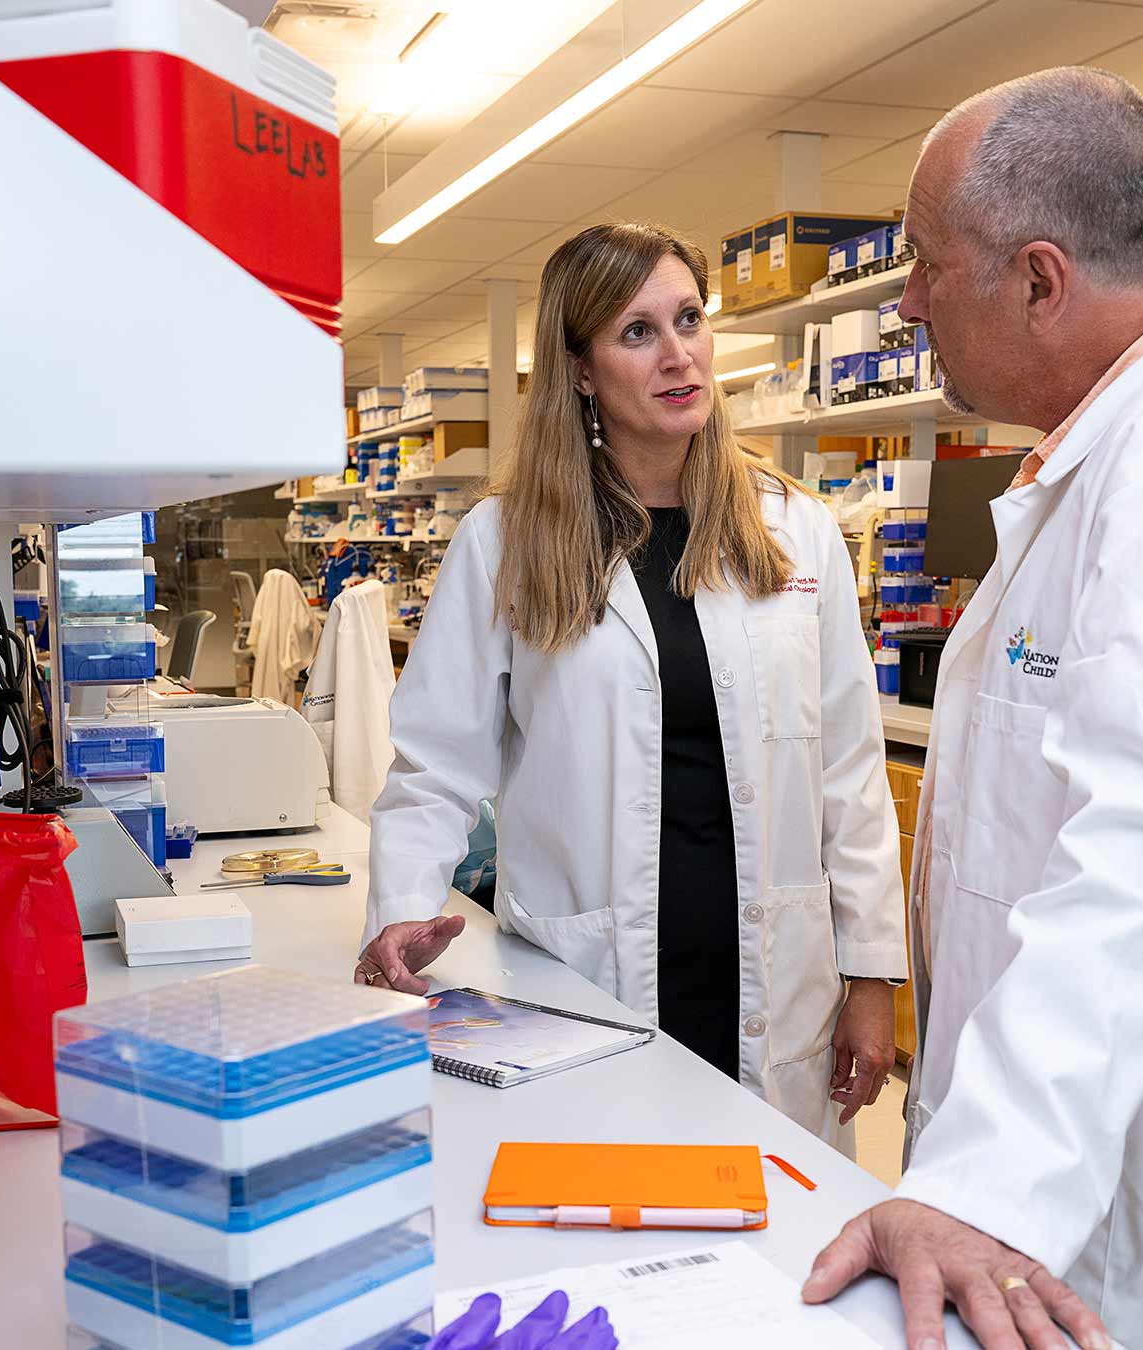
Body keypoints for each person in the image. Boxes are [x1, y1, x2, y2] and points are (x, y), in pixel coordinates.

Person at [800, 69, 1143, 1350]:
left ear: (1041, 279)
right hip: (1056, 1162)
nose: (907, 303)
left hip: (1128, 1180)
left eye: (929, 267)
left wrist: (981, 1185)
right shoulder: (1108, 451)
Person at [354, 221, 907, 1151]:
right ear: (579, 370)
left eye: (688, 319)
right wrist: (406, 904)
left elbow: (850, 774)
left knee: (778, 1238)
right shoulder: (505, 542)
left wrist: (873, 976)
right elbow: (435, 767)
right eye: (637, 331)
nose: (678, 353)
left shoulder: (794, 533)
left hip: (775, 978)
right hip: (588, 973)